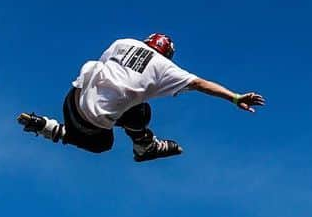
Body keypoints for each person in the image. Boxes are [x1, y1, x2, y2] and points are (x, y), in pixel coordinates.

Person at [17, 33, 264, 162]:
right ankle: (144, 146)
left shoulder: (124, 42)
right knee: (132, 119)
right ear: (167, 55)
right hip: (91, 126)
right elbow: (200, 84)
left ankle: (51, 126)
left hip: (70, 101)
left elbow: (105, 68)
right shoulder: (164, 67)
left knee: (120, 99)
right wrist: (234, 97)